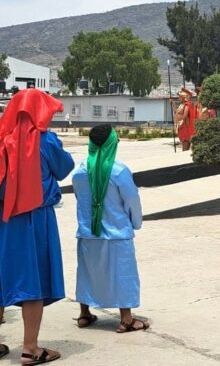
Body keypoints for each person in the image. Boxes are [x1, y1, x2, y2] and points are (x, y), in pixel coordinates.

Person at [0, 89, 74, 365]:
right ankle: (30, 347)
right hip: (33, 218)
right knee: (33, 279)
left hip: (1, 220)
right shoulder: (45, 141)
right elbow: (64, 167)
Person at [71, 124, 150, 333]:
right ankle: (126, 319)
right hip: (117, 232)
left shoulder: (80, 171)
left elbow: (80, 199)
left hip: (88, 232)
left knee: (88, 272)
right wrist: (135, 223)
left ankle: (84, 313)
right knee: (123, 273)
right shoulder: (119, 171)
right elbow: (132, 201)